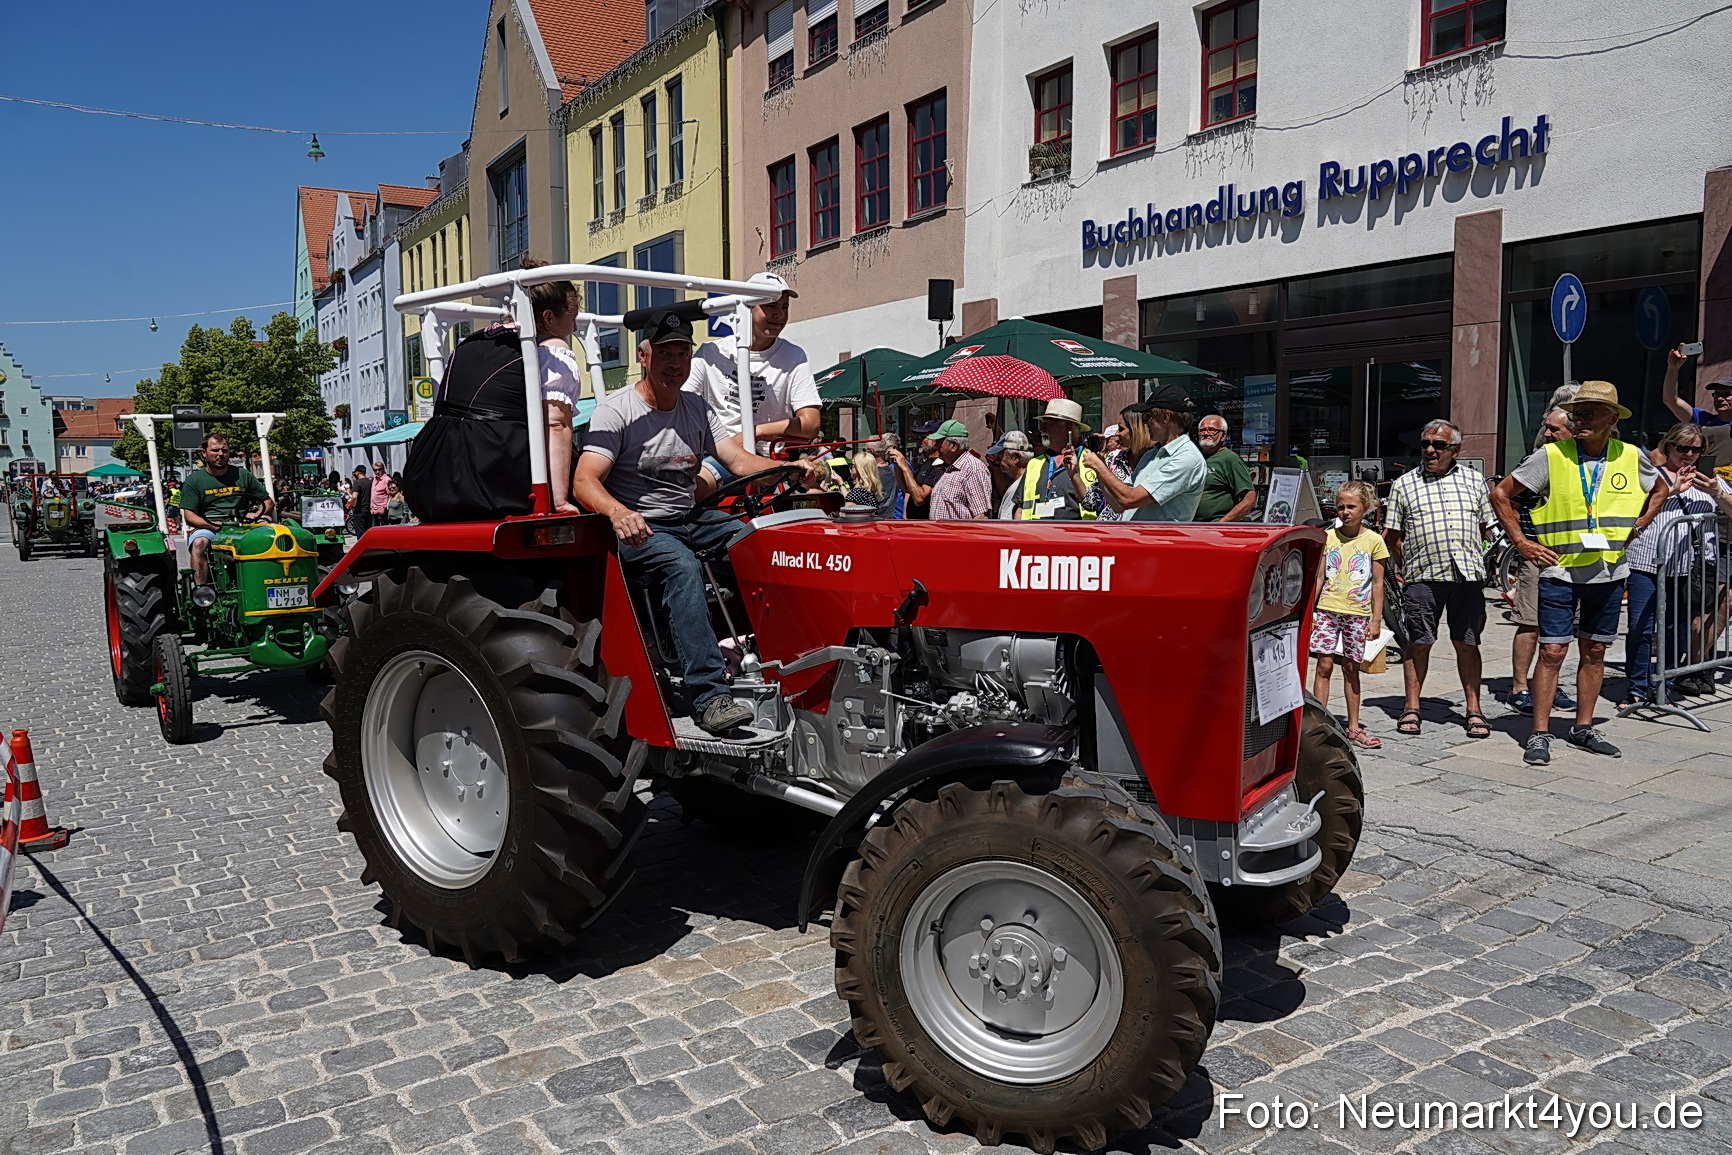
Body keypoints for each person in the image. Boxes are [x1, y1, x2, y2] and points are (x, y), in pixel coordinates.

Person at [570, 309, 817, 735]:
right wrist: (618, 512)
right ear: (644, 357)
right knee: (681, 566)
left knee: (757, 542)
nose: (675, 363)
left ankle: (794, 665)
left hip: (690, 519)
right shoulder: (616, 412)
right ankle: (710, 697)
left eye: (682, 354)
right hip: (642, 529)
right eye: (665, 353)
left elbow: (737, 458)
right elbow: (584, 479)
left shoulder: (696, 408)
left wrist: (789, 471)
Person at [1491, 381, 1669, 766]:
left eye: (1589, 413)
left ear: (1611, 419)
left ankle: (1582, 726)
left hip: (1609, 573)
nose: (1579, 418)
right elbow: (1501, 494)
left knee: (1596, 650)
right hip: (1560, 572)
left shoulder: (1630, 455)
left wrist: (1640, 524)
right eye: (1577, 412)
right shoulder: (1552, 456)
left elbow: (1660, 490)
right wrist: (1522, 543)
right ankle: (1539, 732)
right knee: (1553, 650)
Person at [1385, 419, 1494, 739]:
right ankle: (1412, 707)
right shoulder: (1405, 484)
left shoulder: (1474, 482)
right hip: (1423, 576)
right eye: (1425, 444)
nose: (1430, 450)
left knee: (1468, 642)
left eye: (1439, 445)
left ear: (1456, 450)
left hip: (1466, 576)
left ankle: (1473, 709)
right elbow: (1393, 537)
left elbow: (1486, 526)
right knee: (1418, 642)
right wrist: (1407, 567)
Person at [1622, 423, 1732, 705]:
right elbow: (1631, 509)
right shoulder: (1650, 474)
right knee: (1640, 627)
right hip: (1647, 563)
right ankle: (1637, 686)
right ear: (1669, 446)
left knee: (1676, 629)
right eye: (1682, 447)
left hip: (1687, 567)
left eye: (1696, 449)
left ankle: (1664, 684)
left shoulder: (1710, 480)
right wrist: (1671, 491)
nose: (1689, 454)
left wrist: (1717, 492)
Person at [687, 272, 821, 485]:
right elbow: (681, 403)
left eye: (784, 307)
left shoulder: (795, 356)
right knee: (690, 486)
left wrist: (754, 433)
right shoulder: (711, 353)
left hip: (769, 457)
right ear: (746, 308)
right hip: (720, 454)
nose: (779, 315)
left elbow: (811, 424)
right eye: (770, 306)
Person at [1508, 407, 1579, 714]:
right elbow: (1507, 498)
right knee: (1530, 623)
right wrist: (1524, 543)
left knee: (1561, 628)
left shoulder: (1581, 462)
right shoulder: (1539, 460)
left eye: (1555, 429)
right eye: (1547, 428)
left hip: (1575, 555)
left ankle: (1550, 684)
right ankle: (1520, 687)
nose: (1547, 434)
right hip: (1540, 555)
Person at [1311, 480, 1389, 750]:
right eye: (1340, 507)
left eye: (1351, 506)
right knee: (1323, 665)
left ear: (1365, 508)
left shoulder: (1373, 541)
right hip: (1328, 610)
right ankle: (1318, 723)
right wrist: (1310, 608)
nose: (1345, 512)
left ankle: (1354, 726)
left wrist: (1376, 619)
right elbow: (1320, 575)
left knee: (1351, 668)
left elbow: (1378, 583)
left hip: (1357, 613)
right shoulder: (1328, 538)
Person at [1083, 385, 1207, 522]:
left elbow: (1128, 499)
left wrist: (1099, 466)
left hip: (1158, 542)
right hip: (1136, 539)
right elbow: (1118, 504)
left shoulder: (1186, 458)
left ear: (1165, 418)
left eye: (1148, 416)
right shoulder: (1152, 454)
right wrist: (1100, 466)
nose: (1144, 422)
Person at [522, 263, 590, 513]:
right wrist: (560, 500)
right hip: (532, 479)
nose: (573, 329)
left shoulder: (500, 343)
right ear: (548, 318)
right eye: (571, 319)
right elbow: (556, 424)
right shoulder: (554, 354)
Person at [180, 433, 272, 600]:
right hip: (209, 526)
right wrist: (211, 525)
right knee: (199, 543)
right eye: (215, 450)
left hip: (242, 525)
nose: (220, 454)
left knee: (271, 534)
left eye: (224, 450)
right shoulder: (194, 481)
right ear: (204, 453)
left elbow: (268, 502)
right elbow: (189, 516)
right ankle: (203, 592)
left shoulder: (242, 475)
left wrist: (255, 514)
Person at [1015, 399, 1096, 520]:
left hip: (1078, 537)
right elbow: (1020, 510)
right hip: (1037, 537)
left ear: (1068, 427)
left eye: (1048, 424)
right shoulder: (1034, 464)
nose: (1041, 429)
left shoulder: (1091, 461)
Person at [1195, 415, 1259, 522]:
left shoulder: (1230, 459)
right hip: (1189, 526)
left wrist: (1222, 524)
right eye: (1202, 430)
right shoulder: (1194, 457)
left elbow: (1249, 498)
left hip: (1213, 528)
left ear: (1223, 436)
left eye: (1212, 430)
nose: (1206, 433)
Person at [926, 420, 993, 519]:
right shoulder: (951, 468)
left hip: (958, 534)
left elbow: (982, 516)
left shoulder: (973, 469)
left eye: (939, 442)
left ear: (954, 445)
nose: (935, 447)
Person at [1661, 345, 1732, 427]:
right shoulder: (1703, 420)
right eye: (1717, 394)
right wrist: (1673, 368)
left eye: (1726, 394)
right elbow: (1671, 400)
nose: (1719, 399)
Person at [888, 421, 945, 519]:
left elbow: (919, 498)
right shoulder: (926, 463)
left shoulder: (939, 465)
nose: (919, 442)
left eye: (923, 437)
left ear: (936, 441)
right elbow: (907, 489)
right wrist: (898, 465)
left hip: (925, 525)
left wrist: (905, 468)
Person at [995, 442, 1034, 521]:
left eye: (1001, 455)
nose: (997, 460)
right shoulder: (1028, 480)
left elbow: (1006, 522)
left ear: (1016, 458)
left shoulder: (1017, 488)